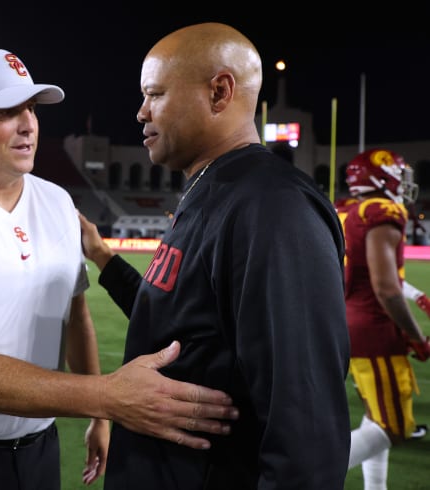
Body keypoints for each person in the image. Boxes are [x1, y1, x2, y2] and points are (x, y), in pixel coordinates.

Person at [0, 48, 239, 490]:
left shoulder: (55, 202)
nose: (28, 124)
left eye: (31, 108)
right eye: (6, 112)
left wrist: (98, 418)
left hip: (37, 449)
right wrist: (108, 397)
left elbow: (75, 319)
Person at [78, 22, 351, 489]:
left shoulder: (272, 207)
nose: (141, 111)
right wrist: (102, 257)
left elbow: (306, 433)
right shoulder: (214, 188)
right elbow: (179, 321)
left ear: (220, 92)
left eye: (156, 94)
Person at [335, 148, 430, 489]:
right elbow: (386, 287)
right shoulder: (381, 212)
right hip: (374, 331)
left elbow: (372, 273)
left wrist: (417, 295)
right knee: (394, 426)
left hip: (346, 324)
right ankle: (311, 475)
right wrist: (417, 336)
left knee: (377, 419)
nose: (404, 184)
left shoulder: (346, 211)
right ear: (380, 176)